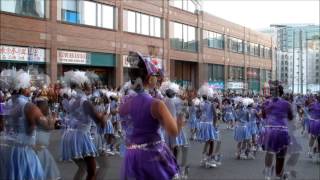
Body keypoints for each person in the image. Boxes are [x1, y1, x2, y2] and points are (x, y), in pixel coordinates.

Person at [119, 51, 181, 180]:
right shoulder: (156, 104)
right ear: (150, 79)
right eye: (155, 76)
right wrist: (180, 118)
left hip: (132, 156)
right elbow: (173, 132)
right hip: (152, 155)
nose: (157, 79)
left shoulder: (125, 103)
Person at [0, 69, 59, 180]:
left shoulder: (6, 104)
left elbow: (2, 125)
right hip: (22, 152)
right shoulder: (29, 107)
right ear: (22, 88)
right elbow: (48, 126)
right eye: (28, 87)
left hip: (6, 150)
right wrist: (54, 112)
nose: (30, 89)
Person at [60, 70, 106, 180]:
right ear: (83, 85)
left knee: (83, 168)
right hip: (80, 136)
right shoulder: (85, 102)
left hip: (69, 135)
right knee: (92, 170)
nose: (92, 86)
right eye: (89, 83)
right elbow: (99, 120)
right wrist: (104, 116)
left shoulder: (72, 100)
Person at [261, 81, 293, 180]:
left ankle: (267, 175)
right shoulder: (287, 104)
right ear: (281, 92)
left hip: (270, 130)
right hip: (282, 130)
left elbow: (263, 116)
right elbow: (290, 117)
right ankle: (279, 175)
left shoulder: (266, 103)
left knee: (269, 152)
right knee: (281, 155)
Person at [161, 81, 189, 179]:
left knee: (172, 147)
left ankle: (172, 167)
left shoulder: (165, 100)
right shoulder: (172, 101)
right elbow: (182, 114)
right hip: (174, 126)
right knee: (175, 147)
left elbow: (182, 113)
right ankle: (174, 168)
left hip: (169, 126)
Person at [196, 84, 218, 168]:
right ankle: (209, 160)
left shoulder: (200, 104)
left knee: (207, 142)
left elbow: (198, 115)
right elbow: (215, 115)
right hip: (209, 125)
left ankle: (203, 159)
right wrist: (215, 124)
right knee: (211, 142)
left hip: (202, 124)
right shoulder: (211, 104)